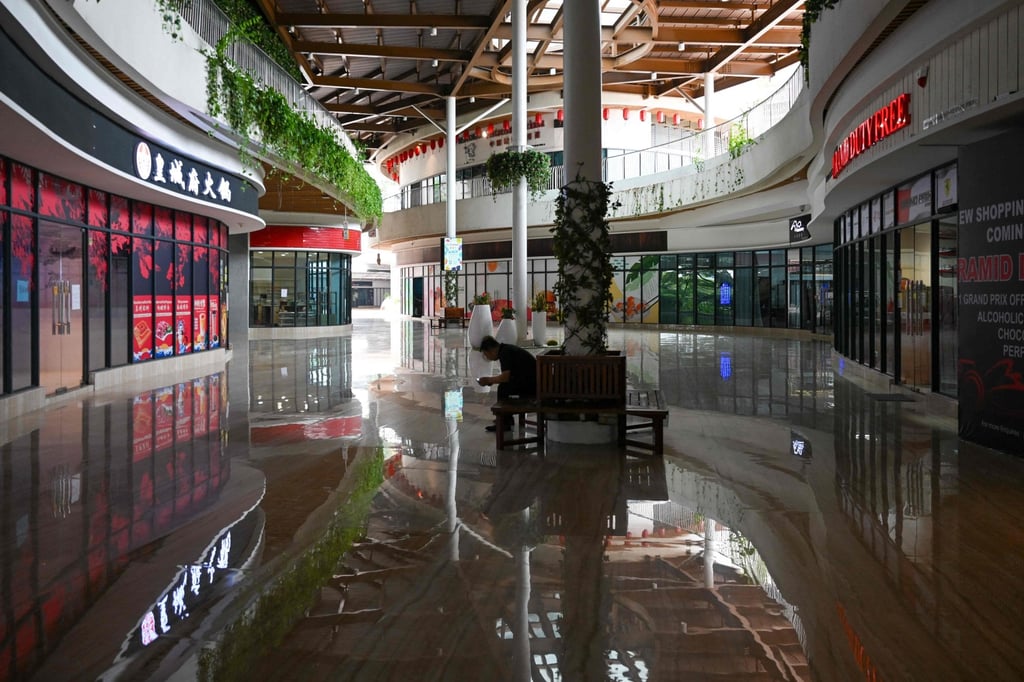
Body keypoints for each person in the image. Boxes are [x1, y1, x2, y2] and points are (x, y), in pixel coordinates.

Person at [478, 335, 537, 431]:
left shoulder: (505, 353)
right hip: (533, 381)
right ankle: (506, 418)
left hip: (533, 385)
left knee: (503, 389)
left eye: (486, 354)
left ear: (490, 350)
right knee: (505, 387)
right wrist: (492, 381)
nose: (487, 357)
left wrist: (488, 380)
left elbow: (505, 377)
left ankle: (504, 421)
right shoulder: (506, 349)